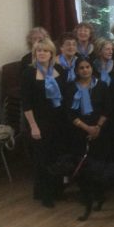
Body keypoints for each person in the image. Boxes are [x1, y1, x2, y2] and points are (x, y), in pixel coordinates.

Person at [21, 38, 68, 208]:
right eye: (38, 51)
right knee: (43, 159)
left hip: (58, 121)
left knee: (58, 157)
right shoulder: (29, 73)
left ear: (51, 53)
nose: (41, 53)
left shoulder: (59, 70)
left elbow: (65, 96)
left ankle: (58, 190)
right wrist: (33, 126)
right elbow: (26, 103)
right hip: (39, 121)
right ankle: (45, 193)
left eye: (45, 51)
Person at [63, 57, 110, 160]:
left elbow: (106, 109)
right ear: (76, 71)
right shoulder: (70, 87)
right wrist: (88, 128)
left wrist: (97, 127)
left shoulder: (102, 85)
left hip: (99, 128)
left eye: (88, 67)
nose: (85, 70)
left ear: (92, 68)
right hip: (78, 129)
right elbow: (69, 113)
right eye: (81, 68)